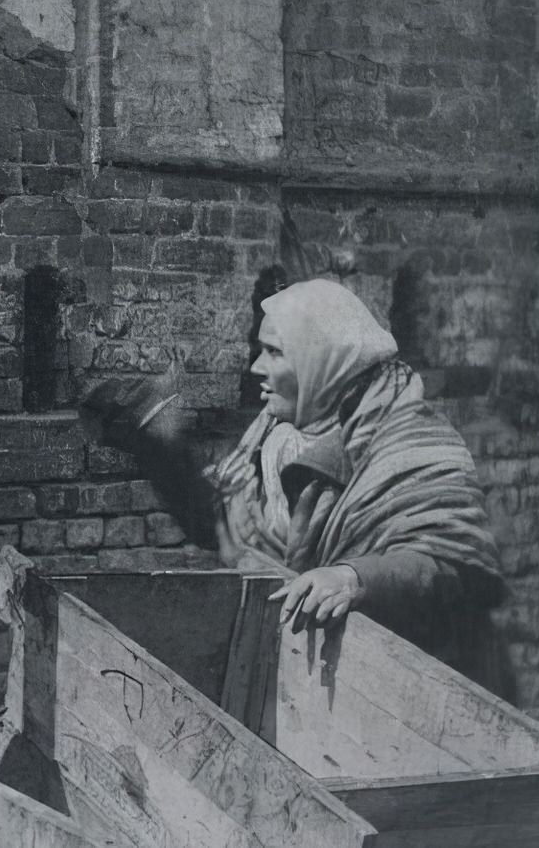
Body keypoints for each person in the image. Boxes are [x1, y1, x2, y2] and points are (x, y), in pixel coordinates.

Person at [208, 279, 506, 686]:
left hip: (421, 681)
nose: (257, 367)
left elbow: (451, 566)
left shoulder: (408, 440)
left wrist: (352, 577)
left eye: (275, 352)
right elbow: (232, 533)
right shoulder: (275, 433)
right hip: (322, 678)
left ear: (324, 364)